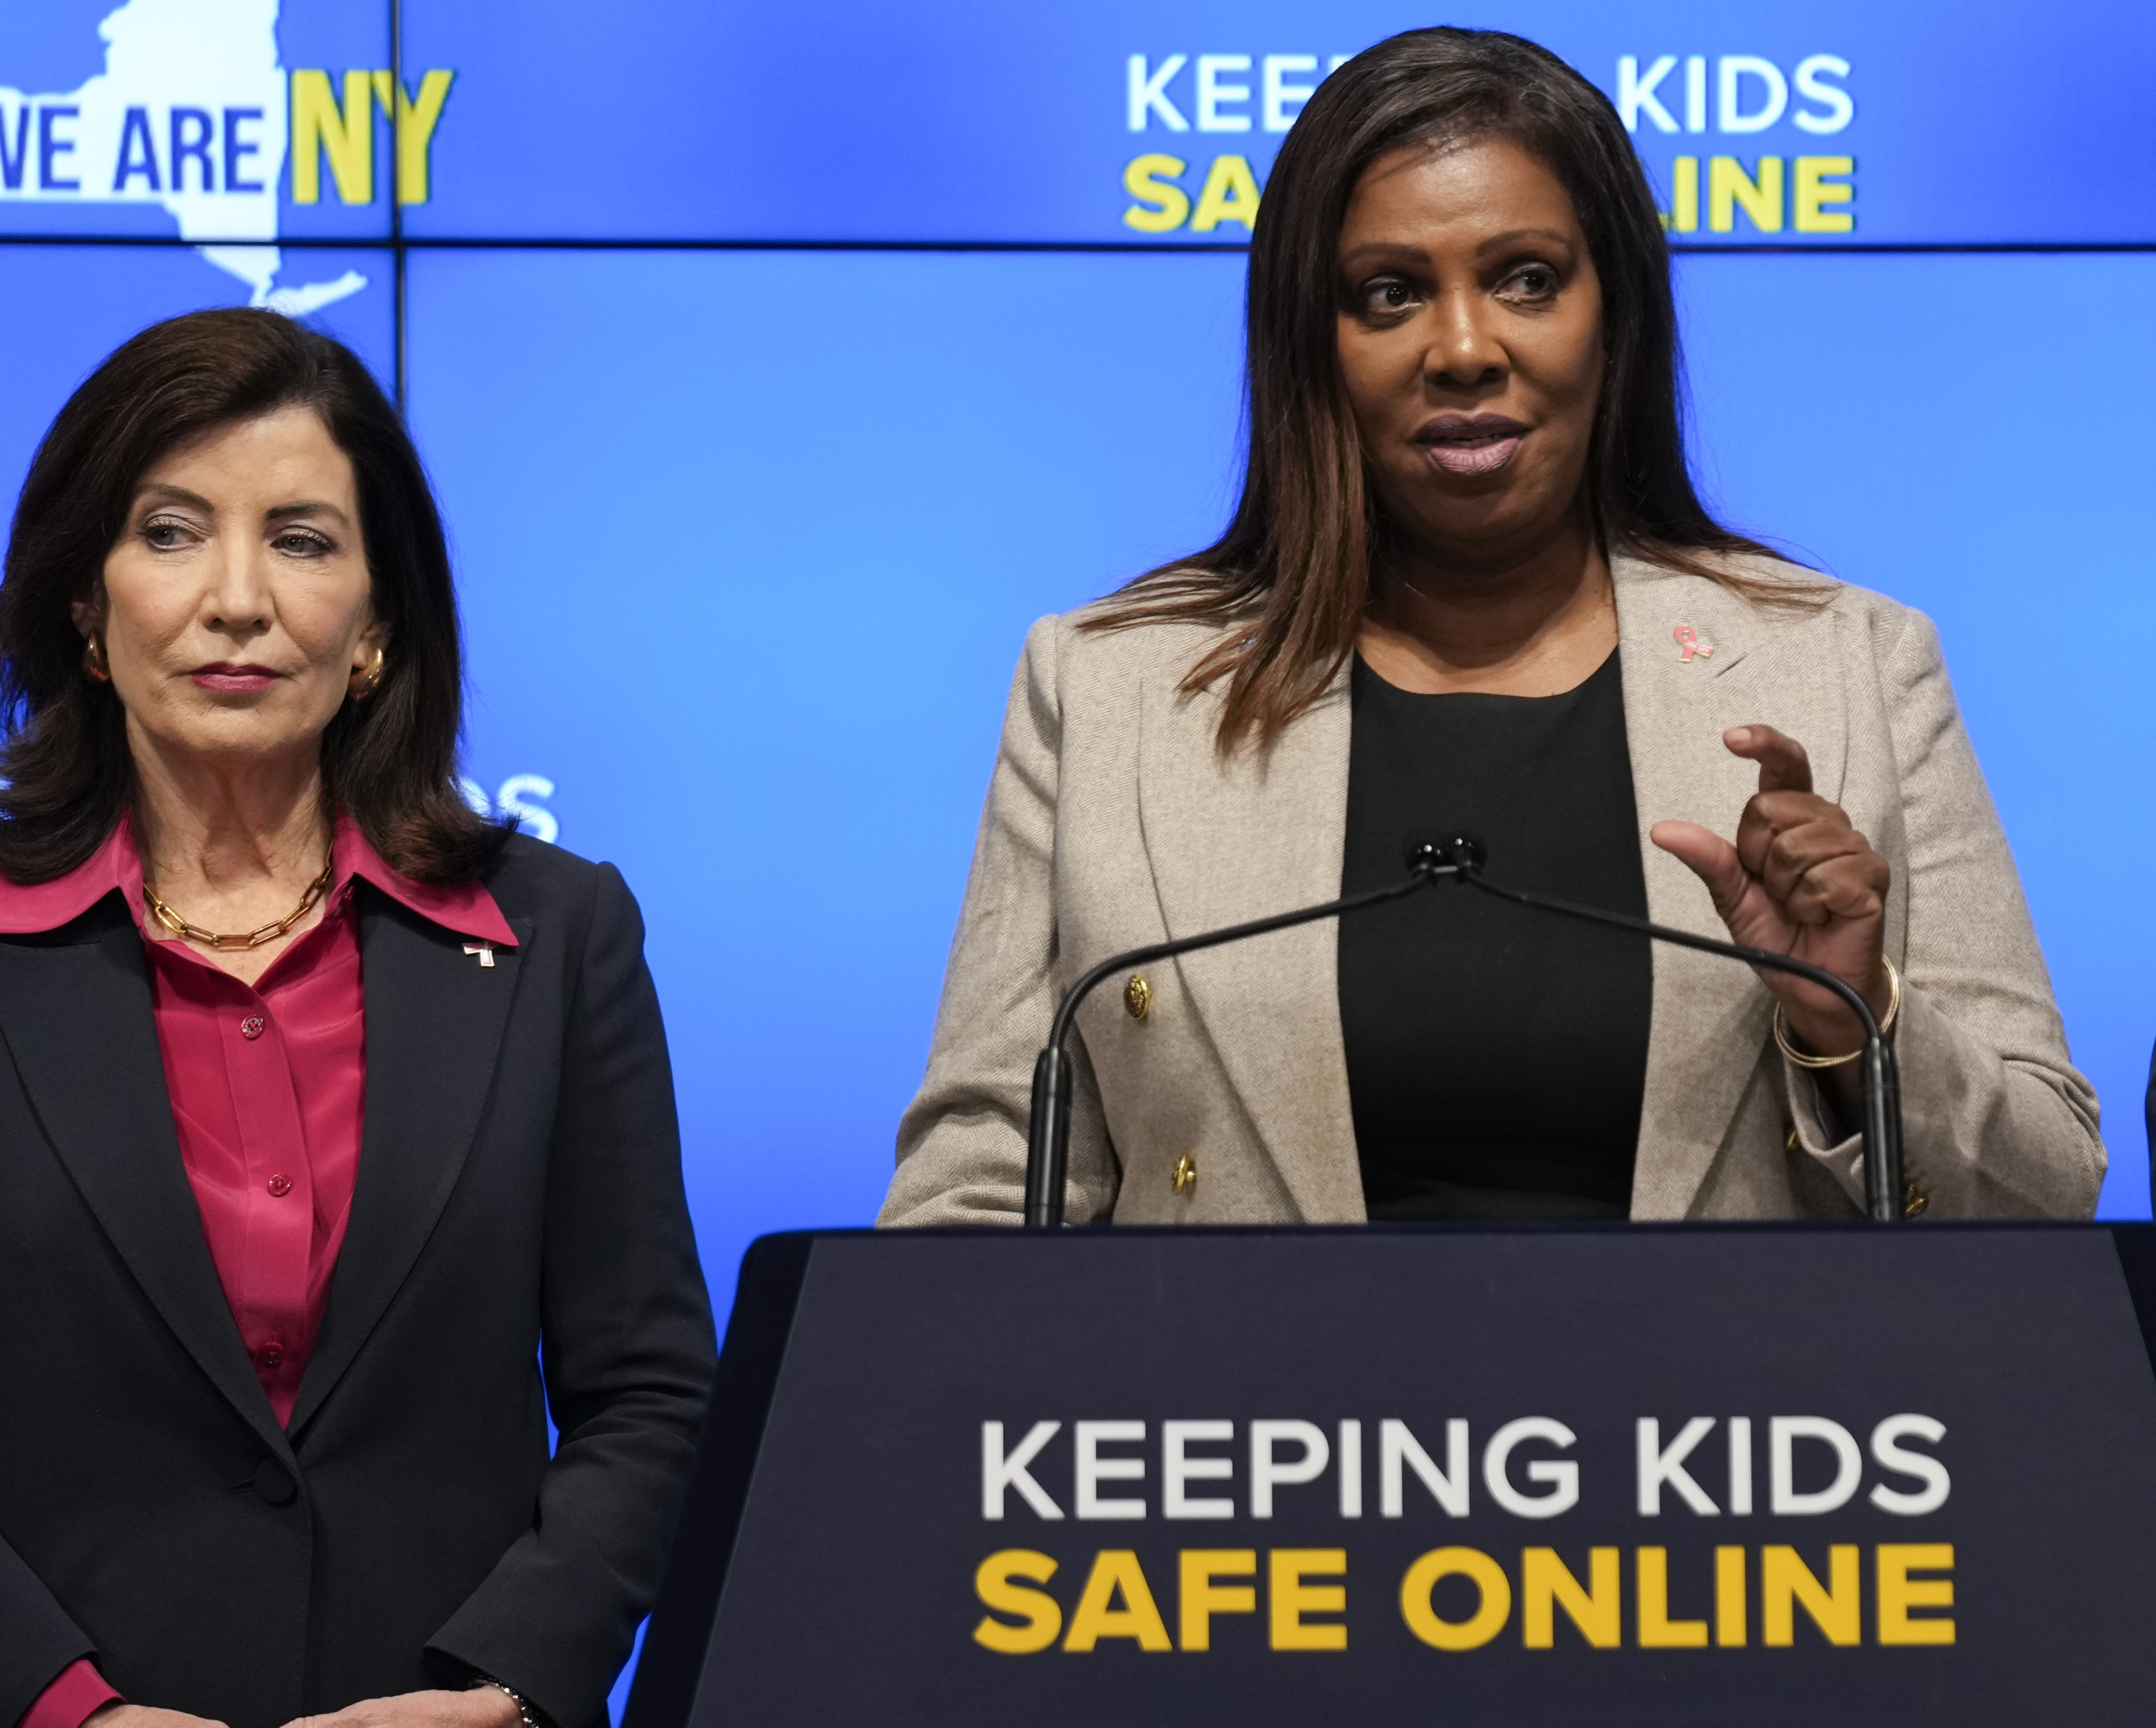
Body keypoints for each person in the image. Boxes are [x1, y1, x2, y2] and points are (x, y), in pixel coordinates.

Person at [881, 29, 2101, 1227]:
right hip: (1245, 1422)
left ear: (1613, 316)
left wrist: (1853, 1018)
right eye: (1389, 294)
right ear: (1312, 345)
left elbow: (2047, 1196)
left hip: (1718, 1423)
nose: (1463, 349)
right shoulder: (1107, 688)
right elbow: (973, 1191)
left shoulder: (1848, 664)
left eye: (1525, 277)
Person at [0, 309, 716, 1728]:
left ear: (379, 623)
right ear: (85, 608)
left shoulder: (557, 933)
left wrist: (506, 1683)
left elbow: (650, 1393)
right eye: (169, 530)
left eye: (302, 538)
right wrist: (62, 1705)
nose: (234, 597)